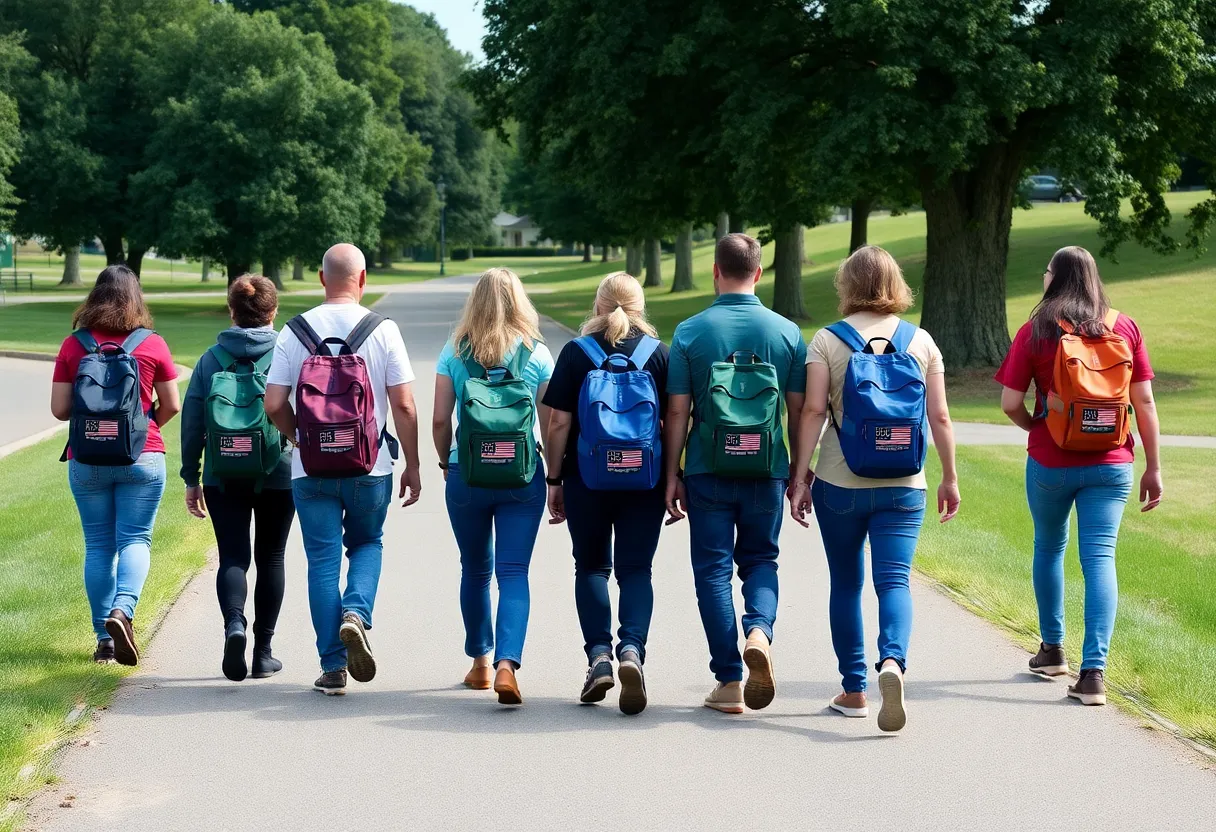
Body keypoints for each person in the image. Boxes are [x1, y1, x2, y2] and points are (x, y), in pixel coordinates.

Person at [789, 245, 960, 732]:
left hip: (841, 482)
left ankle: (854, 688)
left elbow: (814, 412)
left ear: (847, 285)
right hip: (905, 485)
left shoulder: (827, 340)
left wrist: (801, 476)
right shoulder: (921, 341)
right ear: (895, 284)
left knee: (846, 582)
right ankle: (893, 663)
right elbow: (940, 416)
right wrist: (948, 477)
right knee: (895, 580)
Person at [995, 245, 1162, 707]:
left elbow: (1010, 403)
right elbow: (1143, 402)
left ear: (1057, 277)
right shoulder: (1124, 327)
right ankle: (1093, 675)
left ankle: (1052, 651)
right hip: (1112, 462)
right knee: (1099, 558)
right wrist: (1154, 465)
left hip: (1051, 460)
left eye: (1047, 271)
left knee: (1049, 546)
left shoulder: (1037, 329)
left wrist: (1036, 425)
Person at [264, 244, 422, 696]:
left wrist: (301, 439)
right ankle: (356, 612)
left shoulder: (294, 332)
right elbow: (405, 405)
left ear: (320, 279)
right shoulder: (383, 330)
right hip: (370, 465)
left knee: (321, 562)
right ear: (363, 279)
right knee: (368, 542)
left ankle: (333, 667)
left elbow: (273, 403)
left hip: (310, 470)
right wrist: (411, 464)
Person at [664, 233, 806, 714]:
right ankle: (760, 633)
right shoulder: (786, 332)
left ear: (715, 272)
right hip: (767, 468)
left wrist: (672, 473)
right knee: (762, 559)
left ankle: (728, 681)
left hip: (708, 467)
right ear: (759, 273)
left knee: (713, 571)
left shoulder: (689, 332)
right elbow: (799, 410)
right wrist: (798, 473)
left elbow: (678, 413)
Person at [542, 272, 669, 715]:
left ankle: (599, 657)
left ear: (598, 307)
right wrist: (673, 478)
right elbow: (675, 422)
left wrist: (553, 479)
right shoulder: (658, 356)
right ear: (640, 309)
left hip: (586, 479)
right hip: (645, 481)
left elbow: (557, 423)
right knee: (637, 570)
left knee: (592, 567)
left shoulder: (577, 354)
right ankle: (632, 651)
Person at [432, 267, 554, 705]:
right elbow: (551, 422)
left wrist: (446, 460)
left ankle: (481, 664)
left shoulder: (454, 350)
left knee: (475, 569)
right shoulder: (537, 353)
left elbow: (441, 419)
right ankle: (508, 664)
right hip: (522, 476)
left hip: (467, 473)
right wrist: (554, 476)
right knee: (514, 572)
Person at [51, 265, 181, 665]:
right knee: (135, 539)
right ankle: (123, 611)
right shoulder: (152, 344)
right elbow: (172, 404)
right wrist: (142, 431)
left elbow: (59, 410)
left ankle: (103, 640)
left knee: (99, 546)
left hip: (87, 459)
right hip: (142, 458)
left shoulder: (75, 345)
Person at [180, 275, 295, 682]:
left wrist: (190, 476)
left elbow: (193, 421)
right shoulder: (287, 352)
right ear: (272, 311)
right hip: (278, 470)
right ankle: (263, 653)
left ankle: (234, 626)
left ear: (232, 311)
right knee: (272, 557)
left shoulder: (211, 359)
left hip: (222, 472)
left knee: (232, 556)